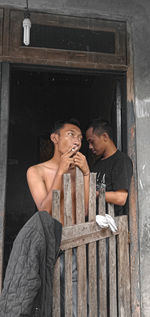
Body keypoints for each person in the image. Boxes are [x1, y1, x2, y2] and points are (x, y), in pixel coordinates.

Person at [27, 118, 90, 225]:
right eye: (71, 134)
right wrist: (61, 172)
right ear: (55, 138)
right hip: (53, 237)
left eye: (80, 138)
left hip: (78, 236)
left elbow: (85, 212)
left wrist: (86, 173)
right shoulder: (36, 171)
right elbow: (44, 214)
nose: (77, 142)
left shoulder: (80, 170)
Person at [86, 118, 133, 216]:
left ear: (105, 136)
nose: (90, 146)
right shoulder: (96, 165)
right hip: (95, 222)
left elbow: (121, 198)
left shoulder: (121, 161)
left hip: (112, 224)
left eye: (92, 142)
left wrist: (95, 194)